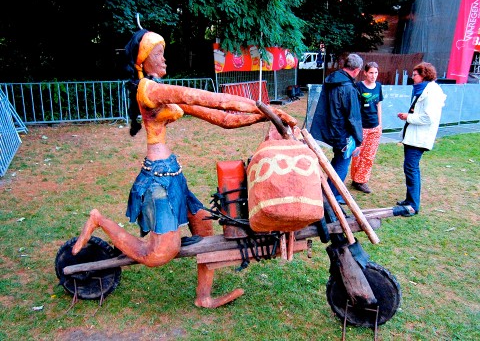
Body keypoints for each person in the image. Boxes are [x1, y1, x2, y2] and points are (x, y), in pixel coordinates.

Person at [71, 29, 297, 307]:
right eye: (158, 54)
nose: (164, 59)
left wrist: (272, 119)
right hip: (157, 182)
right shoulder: (150, 90)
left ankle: (203, 298)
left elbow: (223, 117)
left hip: (173, 175)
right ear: (142, 61)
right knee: (157, 256)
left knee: (204, 233)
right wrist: (269, 110)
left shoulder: (163, 91)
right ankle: (98, 220)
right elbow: (217, 100)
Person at [310, 53, 364, 205]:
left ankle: (330, 191)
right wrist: (359, 139)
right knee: (342, 163)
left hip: (333, 129)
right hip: (343, 133)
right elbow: (353, 117)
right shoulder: (348, 88)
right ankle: (333, 196)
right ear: (357, 70)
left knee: (337, 161)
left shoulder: (332, 81)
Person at [396, 62, 446, 216]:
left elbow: (428, 118)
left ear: (424, 74)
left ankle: (413, 205)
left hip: (420, 138)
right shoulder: (423, 89)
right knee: (410, 168)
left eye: (415, 74)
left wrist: (408, 117)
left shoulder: (432, 93)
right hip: (413, 137)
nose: (412, 77)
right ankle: (410, 200)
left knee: (411, 168)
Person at [350, 62, 383, 194]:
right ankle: (355, 178)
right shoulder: (358, 87)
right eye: (371, 72)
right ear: (365, 73)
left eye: (376, 73)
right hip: (361, 127)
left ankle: (361, 180)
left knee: (369, 156)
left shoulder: (379, 86)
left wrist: (380, 124)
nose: (373, 75)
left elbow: (379, 105)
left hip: (374, 127)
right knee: (357, 155)